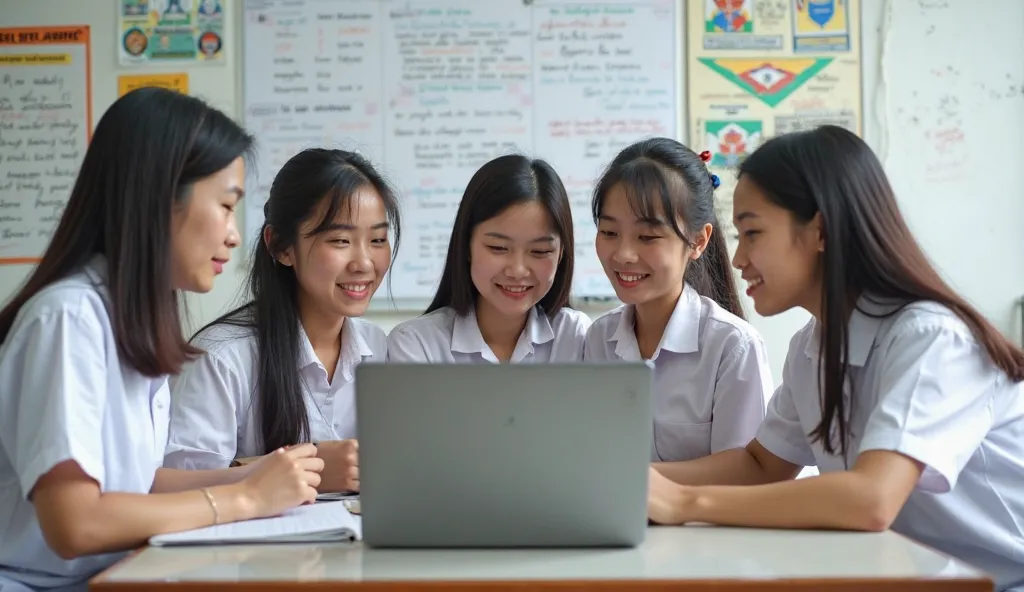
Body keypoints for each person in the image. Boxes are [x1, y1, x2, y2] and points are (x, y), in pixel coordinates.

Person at [646, 125, 1024, 592]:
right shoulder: (813, 345)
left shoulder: (932, 338)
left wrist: (685, 503)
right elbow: (762, 465)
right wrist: (628, 480)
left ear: (820, 230)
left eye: (753, 232)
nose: (739, 258)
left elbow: (872, 499)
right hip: (909, 577)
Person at [0, 88, 322, 591]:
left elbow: (140, 484)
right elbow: (75, 523)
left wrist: (256, 477)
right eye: (225, 205)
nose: (235, 236)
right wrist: (246, 501)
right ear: (159, 198)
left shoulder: (129, 317)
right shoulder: (67, 318)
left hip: (116, 576)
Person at [165, 148, 400, 494]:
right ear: (280, 247)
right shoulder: (222, 357)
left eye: (377, 240)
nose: (364, 263)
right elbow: (180, 488)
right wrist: (314, 465)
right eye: (340, 240)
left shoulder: (378, 347)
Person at [584, 138, 771, 462]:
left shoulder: (731, 346)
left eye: (648, 237)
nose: (623, 254)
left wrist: (646, 487)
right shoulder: (599, 340)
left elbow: (745, 478)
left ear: (698, 241)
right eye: (609, 232)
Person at [387, 154, 590, 363]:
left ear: (561, 253)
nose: (518, 270)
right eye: (499, 248)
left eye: (539, 251)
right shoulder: (417, 344)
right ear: (466, 245)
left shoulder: (576, 336)